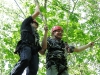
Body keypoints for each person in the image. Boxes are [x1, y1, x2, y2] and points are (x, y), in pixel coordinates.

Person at [10, 5, 48, 75]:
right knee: (25, 60)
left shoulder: (36, 37)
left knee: (33, 71)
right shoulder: (25, 24)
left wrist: (46, 32)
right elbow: (37, 12)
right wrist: (37, 6)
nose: (36, 26)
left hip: (34, 51)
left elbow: (42, 51)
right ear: (31, 22)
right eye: (35, 23)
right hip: (25, 46)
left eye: (37, 25)